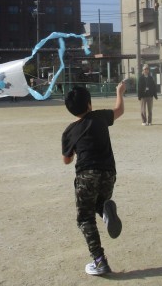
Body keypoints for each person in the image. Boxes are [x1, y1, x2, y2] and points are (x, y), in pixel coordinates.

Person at [61, 81, 126, 276]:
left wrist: (74, 150)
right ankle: (106, 211)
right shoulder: (99, 117)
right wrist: (119, 92)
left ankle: (99, 262)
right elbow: (119, 110)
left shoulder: (70, 131)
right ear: (89, 104)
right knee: (99, 202)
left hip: (86, 175)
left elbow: (66, 160)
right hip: (109, 173)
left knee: (85, 218)